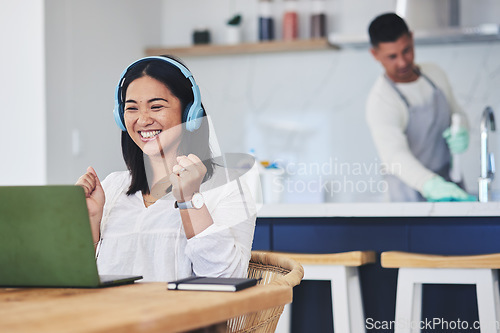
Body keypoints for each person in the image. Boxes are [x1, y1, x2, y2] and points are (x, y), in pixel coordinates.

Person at [76, 55, 256, 282]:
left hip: (181, 317)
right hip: (110, 316)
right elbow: (80, 281)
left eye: (156, 106)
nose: (142, 120)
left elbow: (226, 280)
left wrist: (190, 200)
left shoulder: (227, 187)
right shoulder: (111, 187)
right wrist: (90, 219)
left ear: (190, 112)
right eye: (132, 108)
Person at [365, 13, 476, 202]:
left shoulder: (434, 74)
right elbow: (394, 155)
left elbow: (456, 113)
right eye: (392, 56)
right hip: (407, 194)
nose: (402, 62)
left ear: (412, 38)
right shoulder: (381, 100)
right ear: (375, 54)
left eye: (406, 50)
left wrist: (462, 129)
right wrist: (430, 184)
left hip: (448, 183)